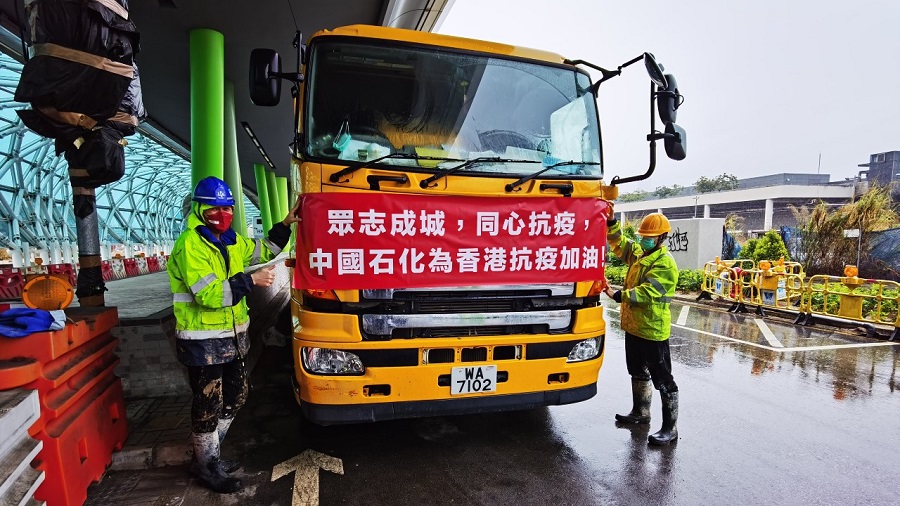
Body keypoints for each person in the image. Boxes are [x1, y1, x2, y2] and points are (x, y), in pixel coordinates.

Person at [168, 176, 301, 493]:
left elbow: (264, 250)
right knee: (208, 404)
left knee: (237, 395)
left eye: (227, 208)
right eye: (215, 209)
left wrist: (286, 223)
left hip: (231, 338)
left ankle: (208, 455)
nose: (223, 214)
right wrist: (250, 281)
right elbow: (208, 295)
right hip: (202, 341)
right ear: (199, 210)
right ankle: (207, 466)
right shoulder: (190, 245)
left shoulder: (232, 241)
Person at [604, 209, 679, 446]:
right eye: (643, 236)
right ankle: (641, 412)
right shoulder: (639, 255)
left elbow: (648, 292)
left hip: (653, 330)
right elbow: (619, 244)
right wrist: (611, 221)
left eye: (649, 236)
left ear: (661, 238)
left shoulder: (664, 263)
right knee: (637, 371)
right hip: (634, 327)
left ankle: (670, 429)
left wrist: (617, 295)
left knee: (663, 380)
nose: (644, 239)